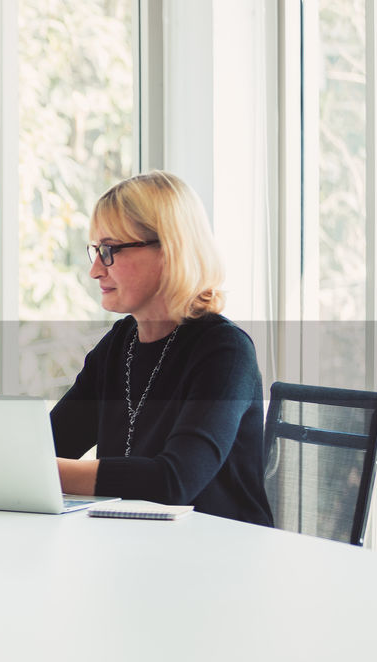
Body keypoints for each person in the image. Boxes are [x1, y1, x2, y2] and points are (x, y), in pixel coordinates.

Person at [51, 170, 273, 526]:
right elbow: (50, 444)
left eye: (109, 251)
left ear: (169, 250)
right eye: (96, 251)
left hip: (221, 558)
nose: (95, 270)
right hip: (135, 546)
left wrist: (43, 470)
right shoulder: (118, 345)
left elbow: (174, 482)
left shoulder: (225, 352)